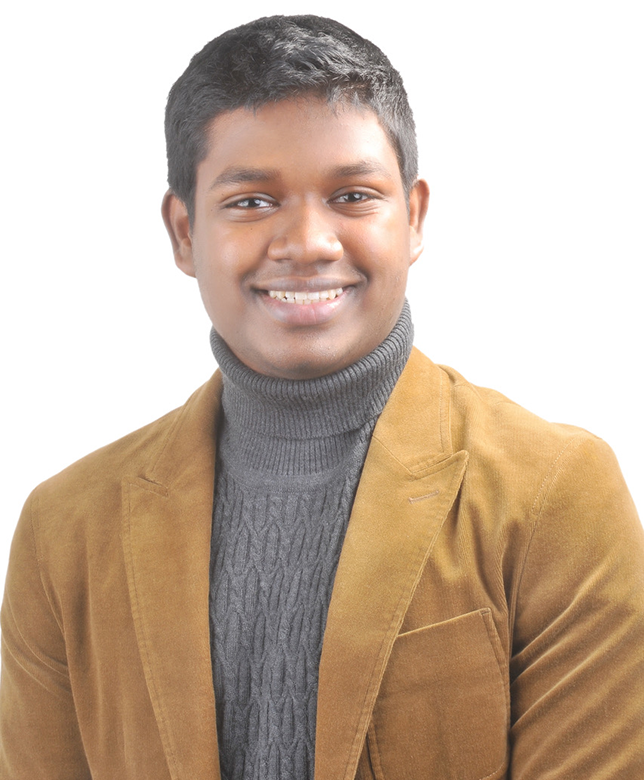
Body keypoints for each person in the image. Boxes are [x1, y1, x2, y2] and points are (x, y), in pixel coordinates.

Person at [1, 14, 642, 780]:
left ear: (414, 217)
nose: (307, 242)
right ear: (183, 232)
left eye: (352, 195)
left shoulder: (554, 494)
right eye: (251, 202)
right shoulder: (66, 529)